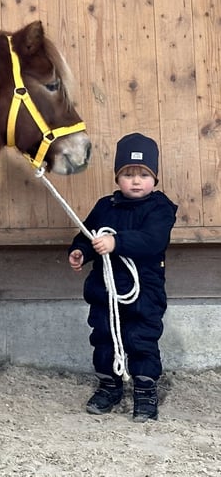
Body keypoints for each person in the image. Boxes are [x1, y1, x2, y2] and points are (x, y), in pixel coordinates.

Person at [68, 132, 177, 422]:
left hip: (144, 290)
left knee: (140, 337)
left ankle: (144, 390)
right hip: (105, 287)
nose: (136, 180)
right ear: (118, 178)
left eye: (144, 174)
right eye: (128, 174)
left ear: (155, 178)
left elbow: (153, 240)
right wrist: (81, 252)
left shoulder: (160, 208)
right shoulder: (106, 207)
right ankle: (109, 386)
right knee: (103, 335)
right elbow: (88, 234)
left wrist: (117, 243)